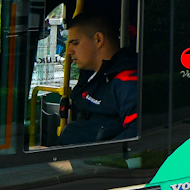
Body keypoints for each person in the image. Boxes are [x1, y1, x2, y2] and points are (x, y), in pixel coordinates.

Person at [55, 9, 139, 146]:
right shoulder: (92, 76)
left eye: (75, 43)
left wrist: (84, 162)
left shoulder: (126, 81)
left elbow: (136, 135)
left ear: (98, 39)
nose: (69, 51)